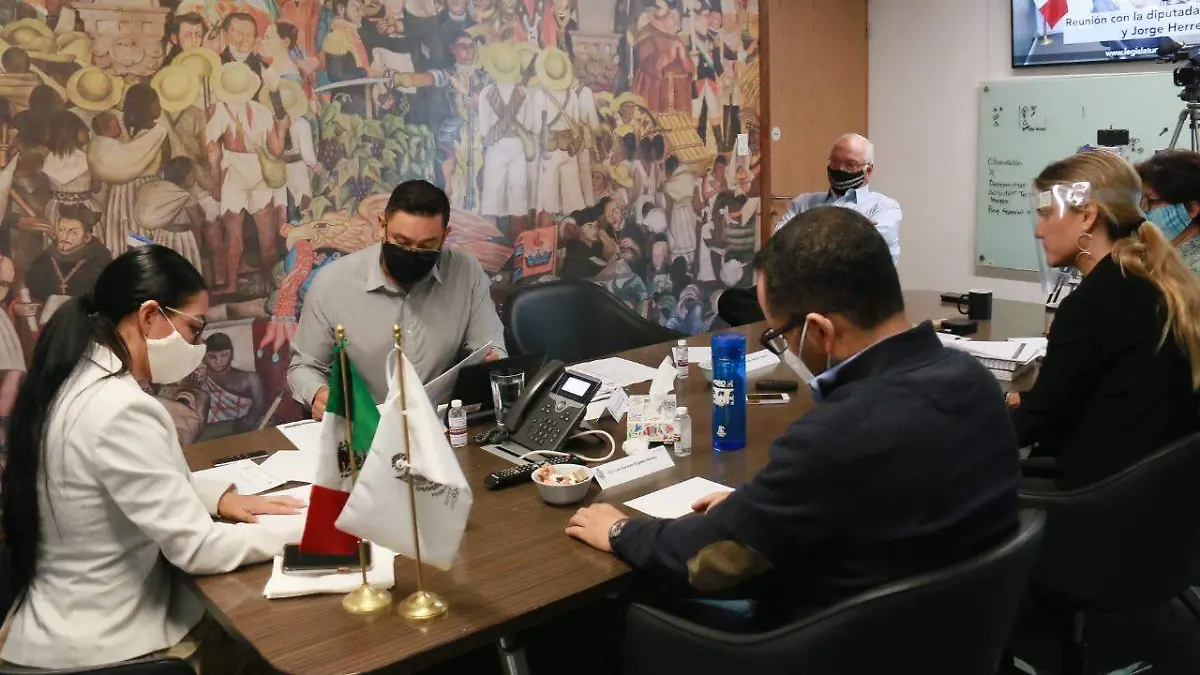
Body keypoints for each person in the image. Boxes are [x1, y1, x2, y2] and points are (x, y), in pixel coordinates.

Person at [566, 206, 1019, 631]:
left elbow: (706, 559)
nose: (781, 346)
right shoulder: (976, 383)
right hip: (957, 634)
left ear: (819, 330)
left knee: (607, 612)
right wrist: (758, 507)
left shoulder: (836, 436)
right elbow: (875, 497)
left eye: (779, 333)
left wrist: (621, 530)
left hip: (824, 646)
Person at [0, 246, 303, 670]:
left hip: (58, 620)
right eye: (194, 329)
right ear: (149, 316)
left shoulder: (78, 379)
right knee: (276, 647)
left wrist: (218, 498)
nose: (197, 345)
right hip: (108, 645)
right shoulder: (120, 408)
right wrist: (313, 529)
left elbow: (129, 483)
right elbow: (199, 550)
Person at [1009, 150, 1200, 489]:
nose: (1039, 231)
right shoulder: (1155, 283)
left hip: (1099, 492)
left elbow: (1031, 425)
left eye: (1047, 214)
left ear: (1087, 216)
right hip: (1154, 488)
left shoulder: (1093, 303)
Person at [288, 181, 506, 417]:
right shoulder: (333, 283)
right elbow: (304, 367)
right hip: (368, 425)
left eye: (426, 246)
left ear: (444, 237)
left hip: (443, 423)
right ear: (382, 226)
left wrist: (491, 364)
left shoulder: (465, 272)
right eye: (402, 242)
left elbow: (490, 348)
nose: (412, 253)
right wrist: (318, 393)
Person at [718, 133, 903, 326]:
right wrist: (850, 232)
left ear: (868, 170)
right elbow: (780, 244)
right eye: (834, 162)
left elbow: (864, 248)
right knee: (731, 301)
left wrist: (806, 237)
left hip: (851, 297)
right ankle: (797, 324)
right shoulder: (804, 202)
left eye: (850, 164)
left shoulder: (885, 208)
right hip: (801, 291)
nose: (840, 169)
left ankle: (793, 325)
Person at [1135, 149, 1200, 275]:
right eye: (1141, 197)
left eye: (1152, 200)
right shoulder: (1154, 252)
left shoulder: (1192, 267)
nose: (1143, 208)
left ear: (1193, 208)